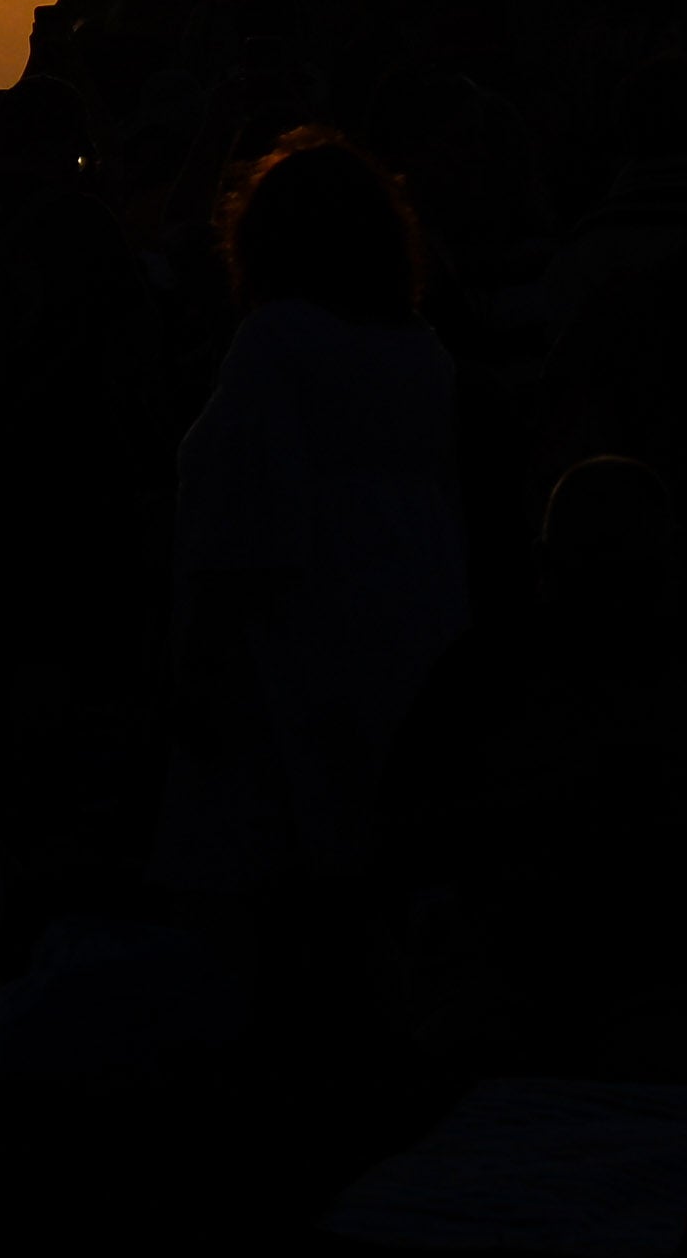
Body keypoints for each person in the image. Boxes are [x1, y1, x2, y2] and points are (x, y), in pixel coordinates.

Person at [164, 128, 471, 927]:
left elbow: (243, 524)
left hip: (299, 641)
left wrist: (200, 667)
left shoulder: (278, 344)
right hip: (415, 621)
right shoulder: (421, 353)